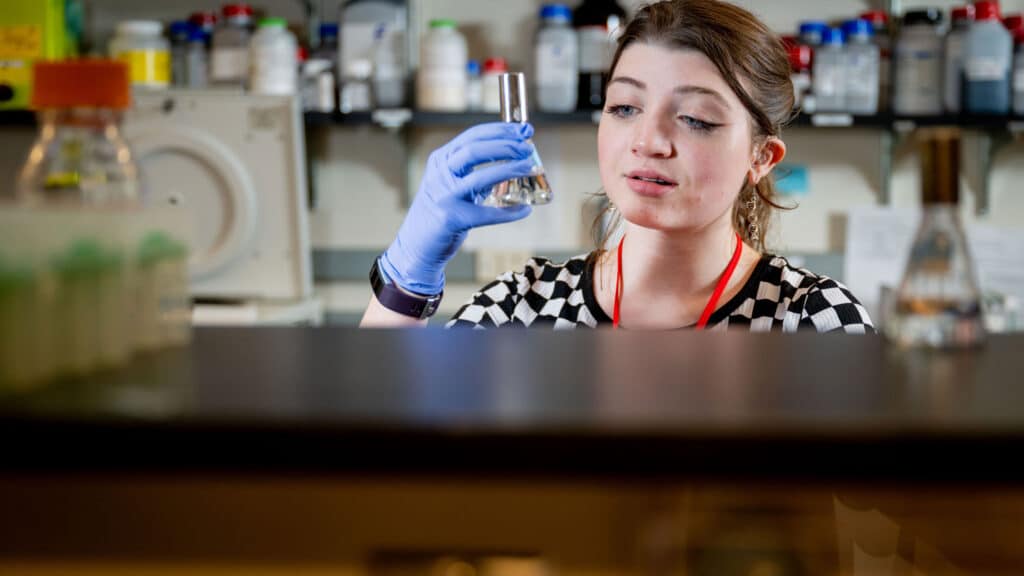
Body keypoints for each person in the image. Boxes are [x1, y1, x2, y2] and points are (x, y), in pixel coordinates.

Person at [361, 0, 874, 332]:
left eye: (695, 118)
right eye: (625, 108)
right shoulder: (526, 305)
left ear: (761, 157)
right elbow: (372, 443)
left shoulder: (813, 318)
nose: (648, 141)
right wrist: (408, 278)